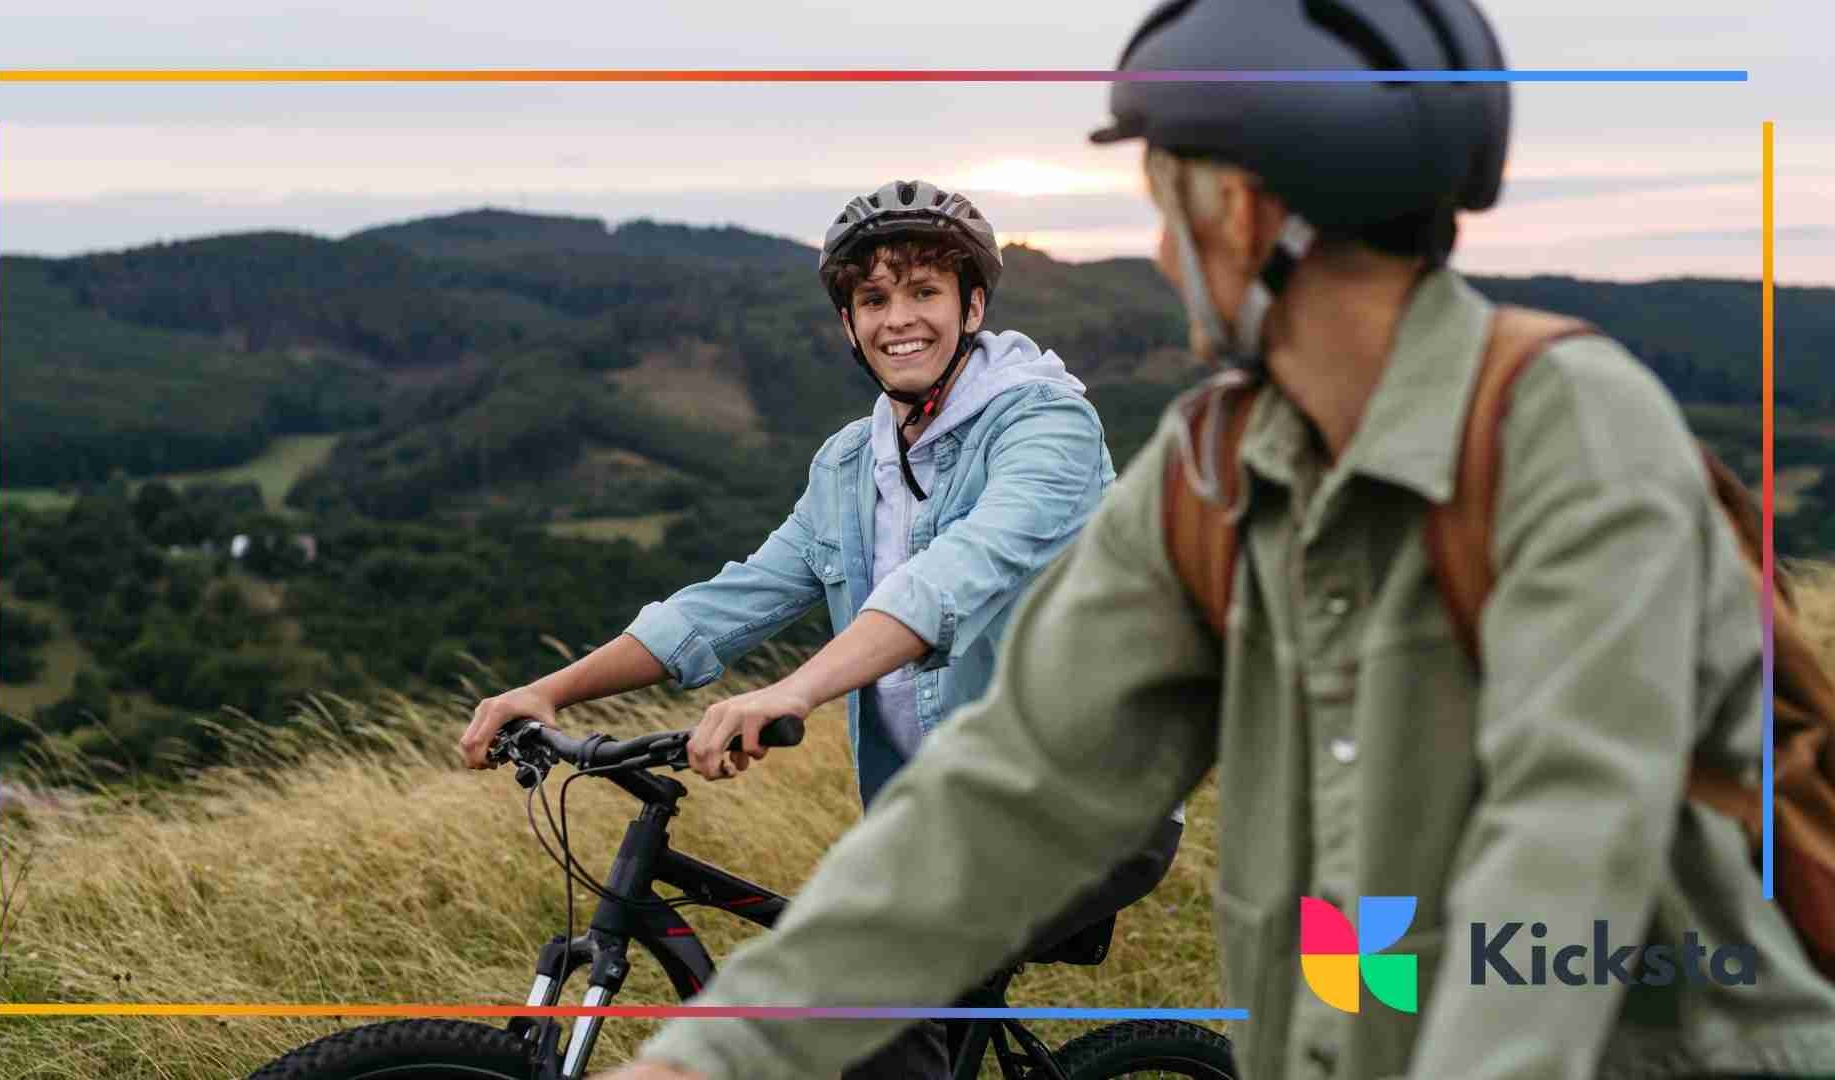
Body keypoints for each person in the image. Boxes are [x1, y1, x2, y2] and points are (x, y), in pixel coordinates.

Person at [596, 2, 1835, 1079]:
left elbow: (1565, 851)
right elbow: (1010, 795)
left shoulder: (1568, 430)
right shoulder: (1211, 474)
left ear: (1240, 210)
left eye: (1161, 201)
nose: (1157, 246)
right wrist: (720, 1050)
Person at [459, 180, 1184, 1079]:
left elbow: (955, 576)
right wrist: (552, 689)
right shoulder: (852, 463)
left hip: (1080, 804)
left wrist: (795, 688)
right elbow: (732, 601)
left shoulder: (1047, 428)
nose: (898, 319)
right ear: (848, 323)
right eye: (873, 299)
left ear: (973, 304)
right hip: (937, 818)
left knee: (858, 1026)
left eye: (924, 291)